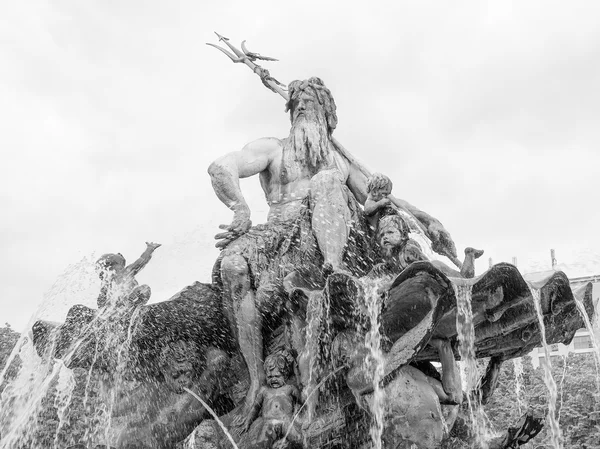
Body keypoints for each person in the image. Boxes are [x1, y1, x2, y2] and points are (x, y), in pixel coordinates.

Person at [208, 77, 457, 410]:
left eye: (310, 105)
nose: (301, 110)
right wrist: (239, 207)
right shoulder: (273, 149)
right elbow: (221, 167)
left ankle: (333, 269)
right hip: (276, 234)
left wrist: (406, 206)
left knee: (326, 181)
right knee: (232, 265)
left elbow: (382, 203)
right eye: (296, 107)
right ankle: (255, 380)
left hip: (330, 242)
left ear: (327, 116)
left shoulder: (340, 165)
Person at [241, 350, 302, 449]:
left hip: (286, 420)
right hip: (269, 422)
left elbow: (302, 401)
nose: (273, 379)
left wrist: (299, 408)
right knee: (261, 444)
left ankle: (287, 444)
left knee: (298, 439)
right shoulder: (264, 390)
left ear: (285, 374)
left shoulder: (290, 388)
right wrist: (248, 421)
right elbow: (255, 408)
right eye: (270, 377)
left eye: (277, 376)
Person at [95, 242, 161, 310]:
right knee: (145, 288)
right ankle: (130, 304)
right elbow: (142, 260)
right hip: (125, 303)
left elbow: (100, 300)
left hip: (120, 304)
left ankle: (127, 305)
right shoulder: (126, 272)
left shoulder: (107, 283)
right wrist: (150, 248)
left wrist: (101, 309)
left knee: (144, 289)